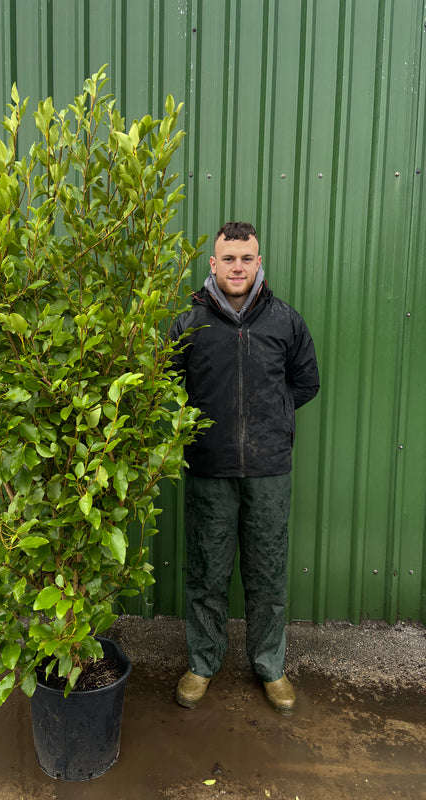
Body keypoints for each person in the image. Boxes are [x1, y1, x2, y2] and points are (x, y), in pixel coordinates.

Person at [169, 222, 319, 714]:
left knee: (267, 573)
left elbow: (305, 382)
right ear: (212, 264)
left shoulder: (285, 322)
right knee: (207, 574)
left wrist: (271, 419)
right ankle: (203, 663)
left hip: (268, 470)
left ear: (260, 264)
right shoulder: (188, 323)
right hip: (209, 469)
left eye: (246, 259)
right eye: (228, 258)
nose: (237, 267)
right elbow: (168, 387)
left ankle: (270, 665)